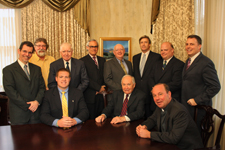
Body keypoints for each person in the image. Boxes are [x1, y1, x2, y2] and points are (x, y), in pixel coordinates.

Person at [136, 83, 203, 150]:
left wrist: (149, 134)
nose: (157, 98)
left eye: (160, 94)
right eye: (154, 95)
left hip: (186, 147)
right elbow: (152, 119)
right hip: (168, 145)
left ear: (169, 94)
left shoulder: (179, 111)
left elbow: (174, 138)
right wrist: (143, 126)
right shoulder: (161, 105)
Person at [181, 35, 220, 128]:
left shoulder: (206, 63)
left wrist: (197, 100)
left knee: (196, 140)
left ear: (199, 46)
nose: (188, 46)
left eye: (192, 44)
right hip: (187, 109)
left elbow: (215, 86)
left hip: (198, 111)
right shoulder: (188, 61)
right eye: (187, 44)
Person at [3, 41, 45, 125]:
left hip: (36, 114)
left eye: (30, 52)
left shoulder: (37, 69)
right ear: (19, 51)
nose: (27, 54)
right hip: (19, 115)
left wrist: (37, 101)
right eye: (24, 51)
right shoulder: (8, 70)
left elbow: (42, 88)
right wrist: (28, 105)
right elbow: (10, 91)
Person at [133, 35, 161, 118]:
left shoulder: (157, 57)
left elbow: (157, 74)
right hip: (137, 91)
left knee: (149, 115)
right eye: (141, 42)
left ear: (149, 44)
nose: (143, 44)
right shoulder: (135, 57)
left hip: (150, 90)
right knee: (138, 115)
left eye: (145, 42)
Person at [80, 39, 106, 119]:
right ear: (87, 47)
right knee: (90, 121)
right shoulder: (82, 61)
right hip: (90, 95)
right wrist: (98, 88)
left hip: (101, 95)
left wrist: (103, 87)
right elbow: (85, 78)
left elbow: (104, 75)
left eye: (95, 46)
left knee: (101, 119)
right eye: (91, 46)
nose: (94, 48)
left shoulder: (102, 60)